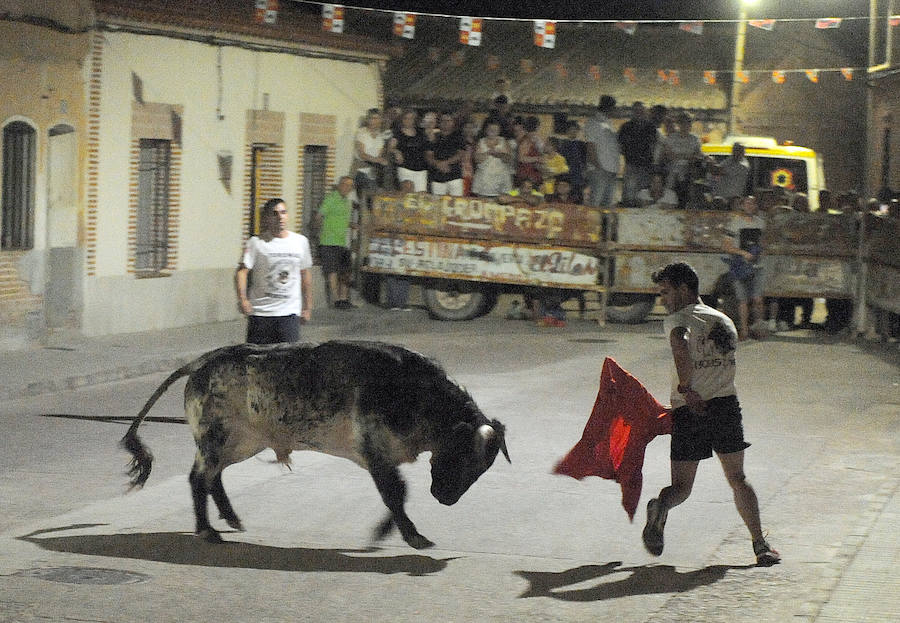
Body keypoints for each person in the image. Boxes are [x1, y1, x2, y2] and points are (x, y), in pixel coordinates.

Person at [644, 261, 780, 567]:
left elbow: (680, 346)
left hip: (688, 408)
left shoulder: (678, 320)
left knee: (681, 487)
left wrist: (686, 388)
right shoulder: (724, 321)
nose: (662, 299)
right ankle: (760, 545)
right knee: (738, 479)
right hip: (724, 407)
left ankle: (661, 506)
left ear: (683, 288)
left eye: (666, 292)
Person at [235, 198, 313, 344]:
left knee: (288, 359)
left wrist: (308, 306)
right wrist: (243, 299)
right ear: (267, 218)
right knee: (257, 360)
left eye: (283, 212)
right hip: (261, 313)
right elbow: (242, 272)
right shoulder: (256, 243)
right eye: (275, 214)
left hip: (289, 313)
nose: (280, 217)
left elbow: (305, 274)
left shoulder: (300, 242)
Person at [722, 195, 766, 340]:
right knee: (743, 300)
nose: (749, 206)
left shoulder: (761, 223)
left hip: (757, 265)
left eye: (752, 203)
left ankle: (758, 327)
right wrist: (743, 253)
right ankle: (745, 330)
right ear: (742, 206)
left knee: (757, 299)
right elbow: (727, 246)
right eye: (747, 203)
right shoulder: (734, 224)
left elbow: (763, 243)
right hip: (739, 265)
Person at [315, 176, 356, 309]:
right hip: (329, 241)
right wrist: (318, 233)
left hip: (342, 242)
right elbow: (319, 216)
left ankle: (344, 299)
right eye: (344, 184)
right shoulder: (331, 198)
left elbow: (340, 219)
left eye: (349, 185)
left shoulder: (347, 202)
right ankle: (336, 300)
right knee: (332, 272)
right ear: (339, 185)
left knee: (346, 272)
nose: (346, 187)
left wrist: (352, 225)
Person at [617, 101, 656, 206]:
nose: (639, 112)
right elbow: (620, 146)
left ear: (644, 112)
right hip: (631, 165)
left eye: (641, 110)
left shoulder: (651, 127)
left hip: (646, 166)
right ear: (633, 112)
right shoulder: (625, 127)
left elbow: (653, 147)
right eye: (636, 110)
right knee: (629, 195)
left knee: (644, 195)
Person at [584, 95, 620, 207]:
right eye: (613, 108)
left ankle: (605, 224)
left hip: (611, 170)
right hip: (600, 170)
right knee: (596, 203)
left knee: (607, 205)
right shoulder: (593, 122)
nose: (615, 110)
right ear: (607, 108)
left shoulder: (609, 123)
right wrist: (599, 167)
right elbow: (590, 147)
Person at [426, 113, 465, 197]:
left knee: (457, 202)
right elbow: (428, 155)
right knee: (437, 204)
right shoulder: (433, 137)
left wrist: (445, 163)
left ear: (453, 122)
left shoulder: (458, 136)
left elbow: (461, 154)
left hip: (454, 175)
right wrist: (438, 164)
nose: (445, 123)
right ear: (439, 123)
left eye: (448, 120)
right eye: (443, 121)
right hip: (437, 176)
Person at [472, 120, 514, 198]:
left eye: (495, 130)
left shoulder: (504, 141)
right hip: (484, 180)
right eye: (490, 129)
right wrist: (488, 153)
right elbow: (477, 160)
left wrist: (499, 155)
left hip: (501, 179)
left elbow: (509, 159)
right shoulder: (480, 142)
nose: (492, 131)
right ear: (486, 130)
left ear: (499, 131)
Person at [354, 109, 388, 204]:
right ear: (368, 120)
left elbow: (379, 154)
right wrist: (377, 160)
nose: (375, 121)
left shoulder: (380, 136)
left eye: (378, 118)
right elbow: (362, 154)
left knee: (375, 202)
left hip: (374, 172)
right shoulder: (362, 133)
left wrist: (380, 160)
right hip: (362, 170)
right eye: (373, 118)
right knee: (365, 202)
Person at [390, 109, 429, 192]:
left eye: (411, 118)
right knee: (407, 192)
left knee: (421, 194)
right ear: (402, 119)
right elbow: (390, 147)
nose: (408, 121)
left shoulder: (420, 132)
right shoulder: (398, 133)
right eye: (406, 118)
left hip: (421, 168)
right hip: (406, 168)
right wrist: (396, 152)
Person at [558, 120, 587, 203]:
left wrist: (584, 172)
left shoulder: (582, 144)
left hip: (578, 176)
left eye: (575, 129)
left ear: (578, 131)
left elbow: (584, 161)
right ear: (567, 131)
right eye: (571, 129)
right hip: (565, 175)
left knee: (577, 198)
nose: (573, 131)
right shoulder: (562, 144)